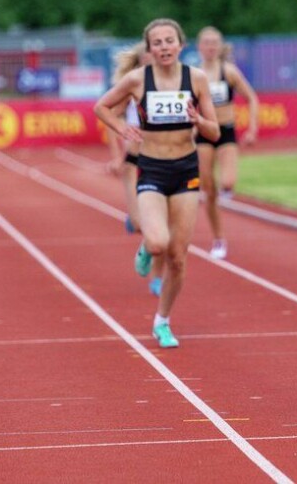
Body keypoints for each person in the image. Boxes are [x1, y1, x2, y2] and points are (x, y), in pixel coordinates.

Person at [95, 18, 220, 348]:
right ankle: (146, 248)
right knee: (157, 244)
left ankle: (162, 321)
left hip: (186, 170)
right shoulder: (138, 79)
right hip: (151, 169)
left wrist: (198, 119)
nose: (164, 47)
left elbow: (214, 132)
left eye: (169, 41)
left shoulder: (197, 79)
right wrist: (122, 129)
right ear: (149, 49)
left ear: (181, 45)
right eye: (157, 42)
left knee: (177, 257)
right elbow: (102, 107)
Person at [104, 42, 164, 296]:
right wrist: (116, 156)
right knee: (141, 224)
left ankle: (157, 276)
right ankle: (136, 224)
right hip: (134, 161)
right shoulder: (132, 88)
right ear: (139, 64)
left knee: (163, 227)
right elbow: (109, 117)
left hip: (163, 162)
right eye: (146, 60)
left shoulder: (174, 87)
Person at [195, 26, 259, 260]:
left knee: (228, 182)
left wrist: (252, 128)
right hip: (203, 133)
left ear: (220, 46)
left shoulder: (229, 72)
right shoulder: (194, 74)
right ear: (199, 47)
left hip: (226, 131)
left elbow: (251, 97)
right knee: (209, 190)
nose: (211, 47)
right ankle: (219, 238)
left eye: (214, 42)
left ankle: (225, 192)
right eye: (206, 42)